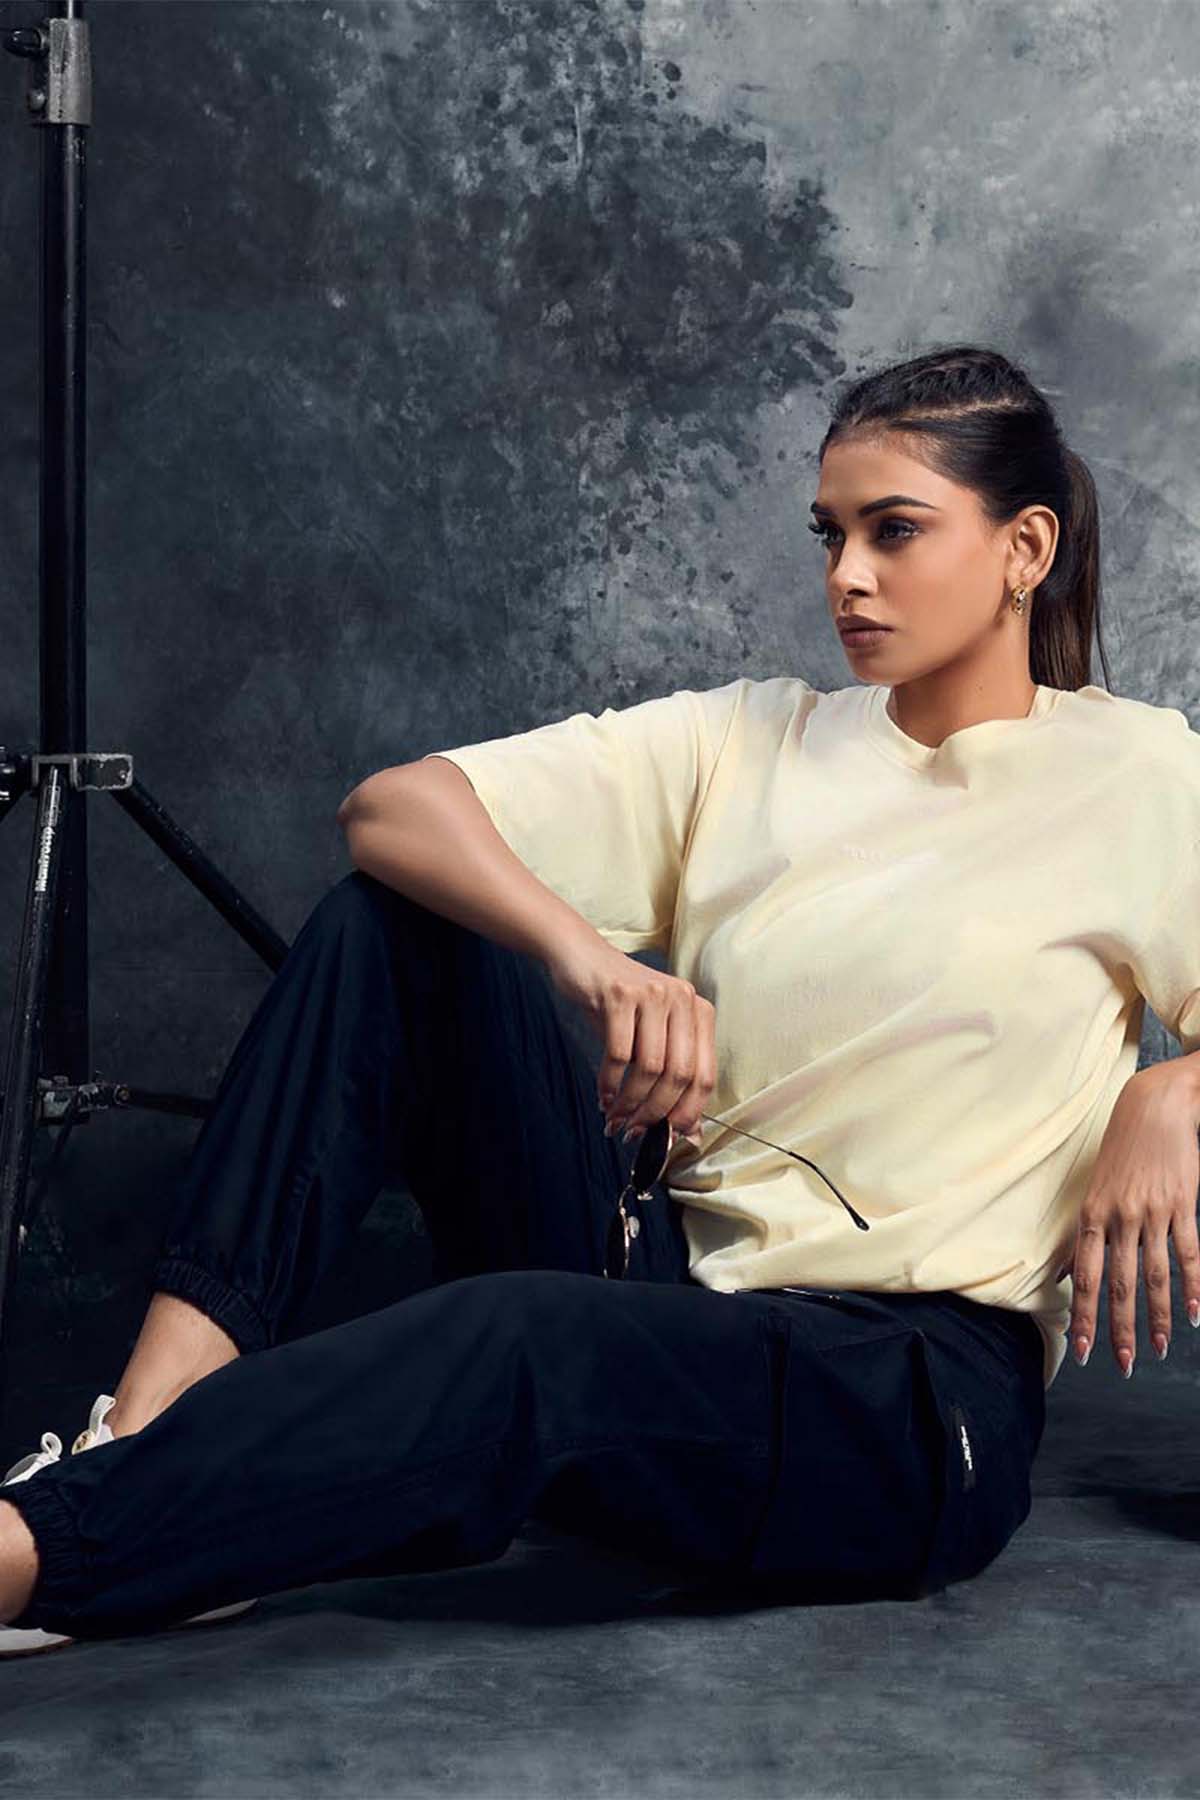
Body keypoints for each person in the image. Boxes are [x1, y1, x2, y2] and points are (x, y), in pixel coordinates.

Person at [2, 342, 1198, 1656]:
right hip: (664, 1291)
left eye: (894, 531)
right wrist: (594, 958)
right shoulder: (754, 739)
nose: (846, 577)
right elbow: (391, 809)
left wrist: (1173, 1086)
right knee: (394, 926)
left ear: (1025, 548)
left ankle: (44, 1553)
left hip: (901, 1394)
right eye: (831, 534)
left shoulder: (1132, 775)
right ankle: (145, 1438)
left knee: (522, 1338)